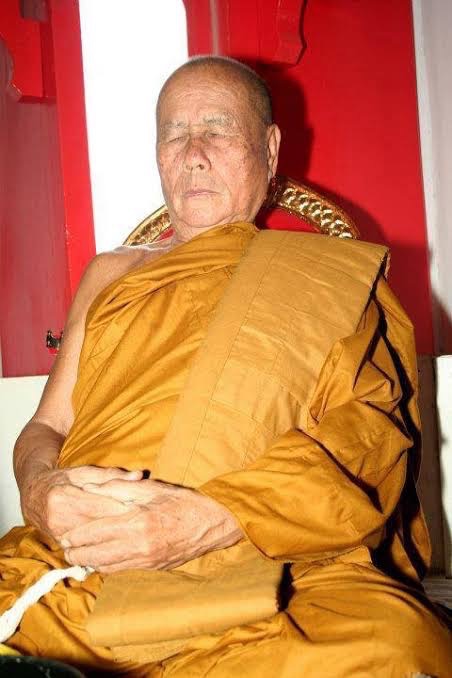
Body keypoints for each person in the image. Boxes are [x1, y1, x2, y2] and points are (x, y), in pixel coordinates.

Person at [0, 56, 450, 677]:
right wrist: (41, 492)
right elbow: (46, 427)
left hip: (272, 558)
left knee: (398, 646)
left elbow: (367, 442)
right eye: (174, 134)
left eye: (217, 129)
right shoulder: (111, 273)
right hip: (88, 560)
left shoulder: (331, 282)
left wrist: (210, 519)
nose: (194, 154)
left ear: (269, 149)